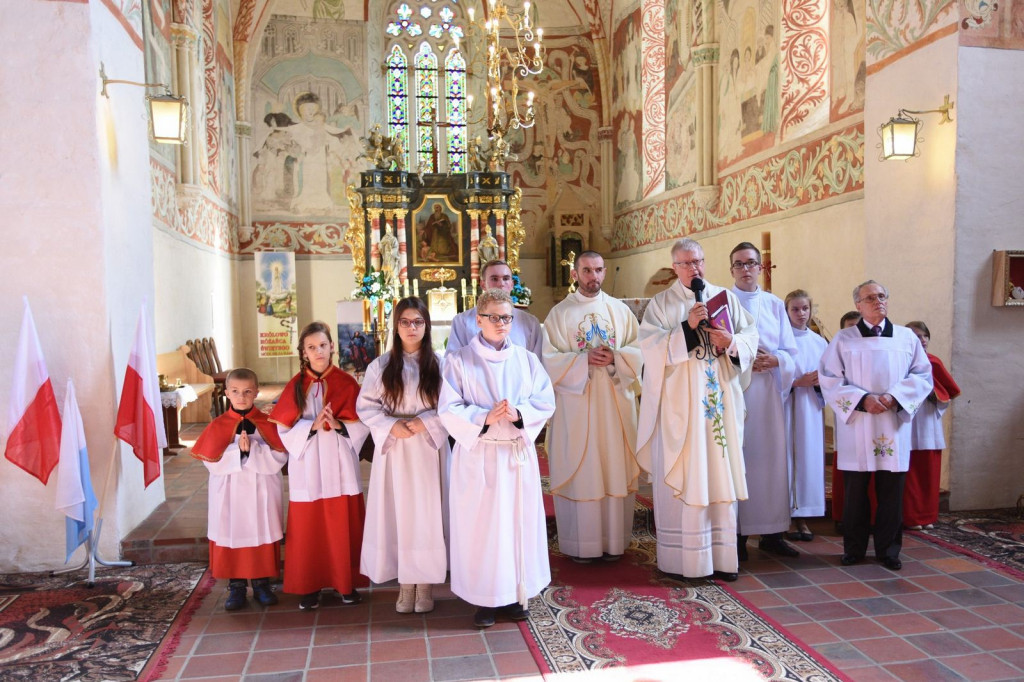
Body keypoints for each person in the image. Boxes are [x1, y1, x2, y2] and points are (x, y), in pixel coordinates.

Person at [636, 238, 758, 581]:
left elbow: (750, 336)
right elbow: (650, 349)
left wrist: (731, 342)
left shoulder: (725, 298)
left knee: (719, 473)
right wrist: (686, 329)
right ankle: (685, 562)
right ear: (675, 267)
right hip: (682, 411)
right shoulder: (662, 304)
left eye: (699, 261)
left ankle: (723, 558)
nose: (696, 269)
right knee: (689, 474)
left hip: (719, 407)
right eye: (687, 263)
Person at [439, 289, 555, 628]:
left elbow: (545, 401)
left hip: (515, 455)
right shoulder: (459, 360)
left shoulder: (526, 360)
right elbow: (447, 409)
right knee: (483, 530)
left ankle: (517, 594)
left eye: (507, 317)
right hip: (480, 457)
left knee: (517, 526)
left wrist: (519, 413)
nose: (502, 323)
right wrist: (483, 418)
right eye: (494, 317)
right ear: (479, 320)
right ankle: (484, 599)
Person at [819, 281, 932, 571]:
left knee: (891, 492)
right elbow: (829, 378)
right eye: (870, 298)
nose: (877, 301)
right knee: (856, 492)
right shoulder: (844, 339)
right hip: (858, 423)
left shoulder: (906, 338)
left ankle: (889, 550)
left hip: (893, 423)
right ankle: (854, 549)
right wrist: (862, 399)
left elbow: (922, 375)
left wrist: (894, 397)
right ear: (858, 304)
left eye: (882, 296)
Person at [542, 251, 643, 563]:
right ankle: (579, 544)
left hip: (615, 407)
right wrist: (582, 360)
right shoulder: (558, 314)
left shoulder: (620, 311)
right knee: (583, 468)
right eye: (586, 270)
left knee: (613, 465)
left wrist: (616, 359)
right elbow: (547, 361)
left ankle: (615, 542)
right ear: (575, 274)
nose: (593, 277)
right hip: (577, 408)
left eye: (598, 270)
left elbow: (641, 352)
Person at [270, 321, 370, 610]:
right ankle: (308, 586)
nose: (318, 351)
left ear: (332, 347)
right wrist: (311, 426)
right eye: (311, 347)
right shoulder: (295, 386)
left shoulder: (346, 383)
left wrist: (339, 425)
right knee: (308, 527)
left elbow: (361, 423)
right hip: (309, 464)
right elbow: (284, 430)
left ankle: (345, 583)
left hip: (339, 461)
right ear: (303, 352)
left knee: (342, 523)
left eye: (323, 345)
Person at [357, 298, 449, 614]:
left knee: (426, 515)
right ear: (396, 327)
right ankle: (404, 584)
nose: (412, 328)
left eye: (418, 322)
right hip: (395, 449)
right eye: (405, 322)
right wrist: (390, 425)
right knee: (398, 514)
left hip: (428, 448)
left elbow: (453, 406)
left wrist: (426, 421)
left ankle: (424, 584)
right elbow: (366, 407)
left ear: (427, 326)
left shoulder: (441, 363)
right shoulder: (380, 366)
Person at [191, 368, 287, 611]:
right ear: (226, 393)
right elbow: (210, 462)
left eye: (247, 392)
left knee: (261, 532)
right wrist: (238, 452)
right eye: (235, 392)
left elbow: (280, 456)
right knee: (232, 534)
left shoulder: (268, 422)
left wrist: (252, 451)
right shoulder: (218, 425)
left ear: (256, 392)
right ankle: (236, 587)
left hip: (260, 488)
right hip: (230, 492)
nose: (241, 397)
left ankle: (262, 584)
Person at [728, 242, 800, 560]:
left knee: (769, 460)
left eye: (751, 263)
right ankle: (737, 536)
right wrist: (743, 360)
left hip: (768, 393)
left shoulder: (773, 305)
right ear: (731, 269)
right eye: (739, 264)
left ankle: (772, 532)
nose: (746, 269)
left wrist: (774, 361)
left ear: (761, 267)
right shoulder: (722, 303)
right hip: (734, 390)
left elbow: (790, 351)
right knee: (738, 460)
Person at [904, 321, 961, 530]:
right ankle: (910, 517)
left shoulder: (933, 362)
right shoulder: (900, 362)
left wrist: (934, 396)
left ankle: (927, 516)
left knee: (929, 473)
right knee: (910, 474)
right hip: (907, 422)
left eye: (924, 336)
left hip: (928, 421)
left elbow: (948, 392)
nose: (922, 340)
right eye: (917, 336)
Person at [783, 290, 828, 541]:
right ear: (786, 311)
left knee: (808, 459)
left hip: (811, 408)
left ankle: (802, 516)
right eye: (795, 309)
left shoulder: (820, 342)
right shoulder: (781, 341)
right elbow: (772, 376)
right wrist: (796, 382)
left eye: (805, 309)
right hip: (788, 406)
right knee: (788, 458)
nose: (801, 314)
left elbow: (832, 374)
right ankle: (784, 516)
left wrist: (823, 381)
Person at [446, 259, 543, 357]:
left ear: (512, 284)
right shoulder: (462, 321)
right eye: (494, 279)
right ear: (483, 284)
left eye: (506, 278)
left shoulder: (530, 323)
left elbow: (536, 363)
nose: (501, 284)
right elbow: (453, 361)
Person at [830, 310, 862, 530]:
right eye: (849, 327)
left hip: (877, 417)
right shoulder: (837, 349)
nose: (854, 332)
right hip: (849, 415)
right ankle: (844, 516)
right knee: (850, 471)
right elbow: (831, 380)